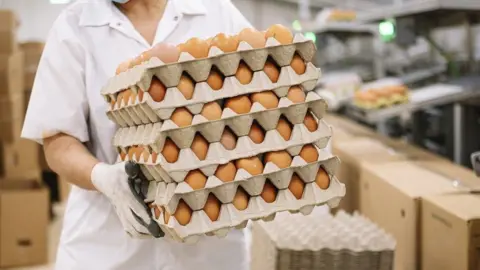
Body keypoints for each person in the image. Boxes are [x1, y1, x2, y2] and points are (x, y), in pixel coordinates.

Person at [21, 0, 252, 269]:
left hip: (209, 247)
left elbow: (257, 100)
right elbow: (57, 140)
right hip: (107, 247)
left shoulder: (217, 13)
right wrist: (103, 178)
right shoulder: (75, 25)